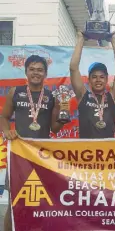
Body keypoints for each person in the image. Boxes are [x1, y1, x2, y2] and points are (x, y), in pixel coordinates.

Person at [0, 55, 69, 231]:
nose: (36, 73)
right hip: (19, 156)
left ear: (45, 73)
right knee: (14, 203)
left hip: (41, 157)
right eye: (32, 69)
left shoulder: (51, 96)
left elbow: (54, 129)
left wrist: (63, 116)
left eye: (39, 70)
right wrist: (7, 130)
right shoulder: (15, 92)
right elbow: (4, 117)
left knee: (42, 203)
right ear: (26, 72)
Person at [70, 31, 115, 138]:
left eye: (102, 77)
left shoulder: (113, 97)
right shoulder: (83, 96)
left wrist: (114, 41)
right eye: (94, 77)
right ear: (89, 80)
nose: (98, 80)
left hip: (107, 152)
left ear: (106, 79)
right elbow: (73, 68)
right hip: (86, 152)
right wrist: (81, 40)